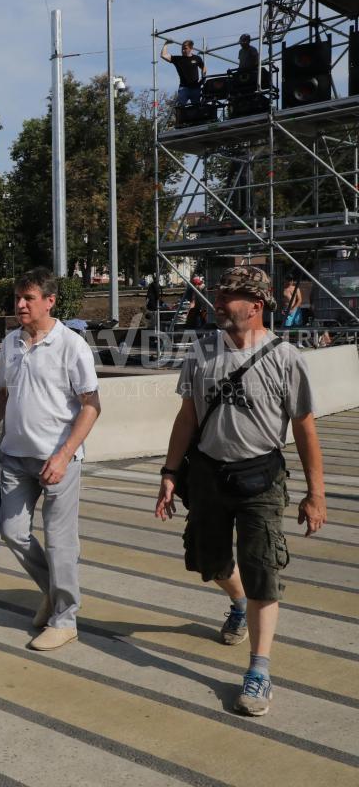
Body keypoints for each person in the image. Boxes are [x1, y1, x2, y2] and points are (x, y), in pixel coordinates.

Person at [155, 266, 326, 717]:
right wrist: (170, 473)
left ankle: (259, 670)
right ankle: (235, 602)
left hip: (261, 480)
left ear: (256, 305)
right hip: (209, 477)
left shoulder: (286, 358)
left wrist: (316, 493)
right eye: (218, 292)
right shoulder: (201, 352)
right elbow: (187, 417)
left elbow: (304, 428)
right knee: (209, 560)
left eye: (229, 295)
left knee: (262, 569)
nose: (218, 301)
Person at [0, 267, 101, 651]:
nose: (20, 304)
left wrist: (63, 456)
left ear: (50, 301)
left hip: (57, 460)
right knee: (12, 532)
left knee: (61, 542)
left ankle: (65, 619)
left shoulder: (71, 345)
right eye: (17, 298)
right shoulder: (11, 342)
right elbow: (2, 394)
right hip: (14, 456)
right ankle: (55, 591)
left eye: (28, 298)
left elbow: (91, 406)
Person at [161, 40, 207, 107]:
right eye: (182, 48)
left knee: (197, 107)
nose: (183, 50)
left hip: (195, 87)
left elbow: (203, 67)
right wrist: (166, 44)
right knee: (180, 108)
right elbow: (163, 55)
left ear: (191, 48)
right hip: (183, 88)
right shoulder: (178, 59)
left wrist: (203, 77)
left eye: (185, 48)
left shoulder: (197, 58)